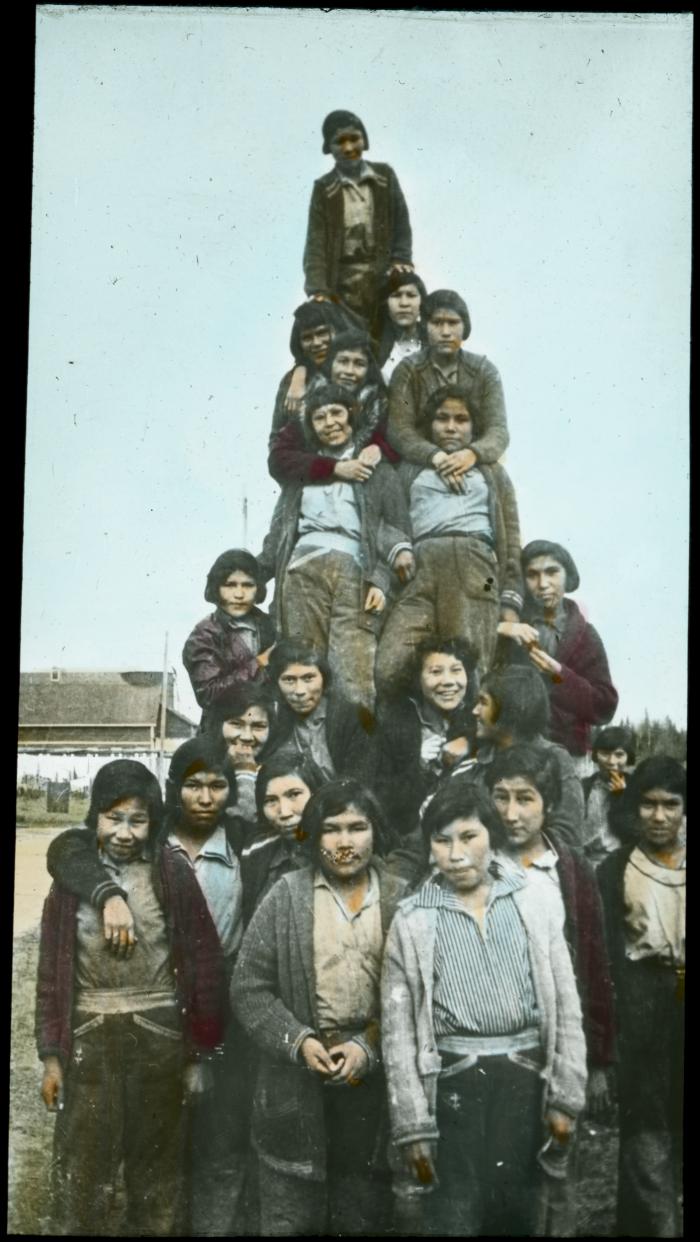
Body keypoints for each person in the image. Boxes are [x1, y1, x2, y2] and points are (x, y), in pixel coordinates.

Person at [45, 738, 249, 1236]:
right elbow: (51, 976)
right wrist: (51, 1054)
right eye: (112, 818)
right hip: (89, 1042)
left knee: (157, 1179)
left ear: (154, 821)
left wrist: (199, 1055)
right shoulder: (71, 881)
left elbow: (204, 964)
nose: (124, 832)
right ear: (94, 818)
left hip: (159, 1042)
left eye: (137, 820)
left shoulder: (171, 872)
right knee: (82, 1178)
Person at [381, 781, 587, 1237]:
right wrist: (413, 1125)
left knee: (518, 1209)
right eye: (442, 840)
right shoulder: (412, 919)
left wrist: (566, 1094)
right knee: (456, 1212)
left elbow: (566, 1004)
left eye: (469, 837)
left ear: (491, 835)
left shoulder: (535, 900)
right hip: (453, 1086)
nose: (456, 855)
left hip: (524, 1078)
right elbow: (398, 1035)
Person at [233, 778, 407, 1235]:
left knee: (363, 1207)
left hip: (373, 1079)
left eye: (357, 827)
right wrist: (297, 1039)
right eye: (332, 829)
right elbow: (249, 987)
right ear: (313, 835)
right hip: (299, 1077)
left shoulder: (400, 898)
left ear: (376, 832)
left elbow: (415, 995)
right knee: (292, 1210)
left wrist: (370, 1048)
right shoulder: (286, 895)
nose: (345, 842)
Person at [485, 743, 616, 1233]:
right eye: (501, 797)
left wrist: (598, 1060)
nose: (512, 813)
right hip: (495, 1049)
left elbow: (595, 963)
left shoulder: (571, 871)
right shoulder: (477, 861)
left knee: (557, 1173)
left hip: (558, 1046)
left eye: (526, 799)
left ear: (550, 803)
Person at [261, 390, 414, 710]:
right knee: (303, 668)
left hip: (354, 573)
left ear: (351, 417)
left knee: (354, 672)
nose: (329, 423)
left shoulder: (379, 470)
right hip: (303, 570)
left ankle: (355, 752)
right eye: (319, 417)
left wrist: (382, 581)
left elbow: (395, 530)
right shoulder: (303, 474)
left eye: (336, 414)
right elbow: (279, 532)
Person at [376, 384, 523, 693]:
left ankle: (463, 740)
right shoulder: (409, 469)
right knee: (390, 666)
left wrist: (510, 597)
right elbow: (382, 519)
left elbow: (511, 538)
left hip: (474, 564)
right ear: (430, 424)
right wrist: (397, 548)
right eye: (442, 418)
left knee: (469, 672)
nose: (451, 427)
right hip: (420, 568)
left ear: (474, 426)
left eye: (461, 419)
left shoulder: (492, 472)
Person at [597, 757, 685, 1238]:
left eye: (671, 804)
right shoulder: (616, 869)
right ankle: (653, 1225)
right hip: (641, 1003)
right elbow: (607, 952)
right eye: (648, 804)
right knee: (645, 1126)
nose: (659, 816)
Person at [500, 540, 618, 766]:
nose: (543, 584)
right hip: (511, 750)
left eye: (552, 572)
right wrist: (503, 629)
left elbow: (605, 706)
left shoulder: (585, 636)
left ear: (568, 576)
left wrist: (557, 674)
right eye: (532, 575)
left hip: (567, 756)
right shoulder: (511, 625)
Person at [303, 109, 413, 328]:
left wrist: (401, 259)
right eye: (339, 142)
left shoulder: (385, 177)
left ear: (365, 139)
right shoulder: (325, 189)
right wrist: (318, 290)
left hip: (383, 276)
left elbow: (401, 221)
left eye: (354, 139)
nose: (348, 148)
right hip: (344, 284)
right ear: (328, 148)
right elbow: (316, 243)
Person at [387, 288, 509, 474]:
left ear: (465, 327)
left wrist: (472, 453)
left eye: (453, 323)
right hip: (422, 462)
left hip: (472, 460)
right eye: (437, 323)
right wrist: (435, 456)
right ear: (424, 326)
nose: (445, 332)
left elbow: (498, 430)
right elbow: (400, 430)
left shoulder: (484, 370)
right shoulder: (408, 370)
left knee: (498, 485)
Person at [468, 665, 586, 847]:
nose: (474, 711)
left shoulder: (554, 758)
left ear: (507, 707)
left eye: (483, 702)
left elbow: (568, 835)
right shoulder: (481, 759)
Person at [376, 638, 479, 838]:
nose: (448, 681)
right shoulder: (396, 723)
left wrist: (468, 742)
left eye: (456, 670)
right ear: (418, 680)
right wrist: (418, 763)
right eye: (435, 672)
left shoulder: (476, 717)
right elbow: (384, 800)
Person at [268, 329, 396, 487]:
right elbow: (278, 459)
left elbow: (399, 442)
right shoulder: (312, 405)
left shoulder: (379, 404)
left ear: (369, 369)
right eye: (343, 361)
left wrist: (380, 448)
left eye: (359, 364)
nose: (349, 371)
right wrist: (334, 468)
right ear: (331, 364)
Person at [259, 640, 379, 786]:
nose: (300, 691)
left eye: (308, 678)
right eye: (289, 680)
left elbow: (360, 782)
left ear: (324, 679)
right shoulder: (275, 720)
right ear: (277, 683)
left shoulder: (353, 717)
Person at [182, 548, 276, 731]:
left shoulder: (270, 626)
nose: (239, 594)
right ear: (217, 588)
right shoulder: (204, 634)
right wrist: (260, 663)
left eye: (248, 585)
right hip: (223, 736)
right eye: (230, 585)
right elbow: (209, 694)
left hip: (268, 731)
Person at [239, 755, 326, 926]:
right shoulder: (257, 851)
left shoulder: (336, 844)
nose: (284, 812)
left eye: (294, 795)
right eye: (271, 801)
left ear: (317, 794)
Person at [269, 299, 352, 439]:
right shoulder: (290, 381)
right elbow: (277, 439)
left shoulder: (358, 368)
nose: (316, 343)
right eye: (307, 337)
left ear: (338, 331)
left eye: (322, 333)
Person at [206, 682, 275, 831]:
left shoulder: (278, 768)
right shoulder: (200, 761)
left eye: (258, 726)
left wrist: (246, 772)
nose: (246, 737)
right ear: (219, 725)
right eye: (236, 724)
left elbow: (249, 818)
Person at [582, 724, 637, 865]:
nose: (611, 762)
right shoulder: (584, 787)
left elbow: (635, 834)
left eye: (619, 755)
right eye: (605, 753)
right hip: (586, 862)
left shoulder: (636, 787)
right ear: (595, 755)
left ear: (628, 757)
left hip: (621, 863)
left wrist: (620, 798)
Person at [372, 268, 428, 382]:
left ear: (421, 302)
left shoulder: (433, 344)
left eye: (411, 295)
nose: (404, 303)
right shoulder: (373, 345)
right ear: (386, 303)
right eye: (396, 295)